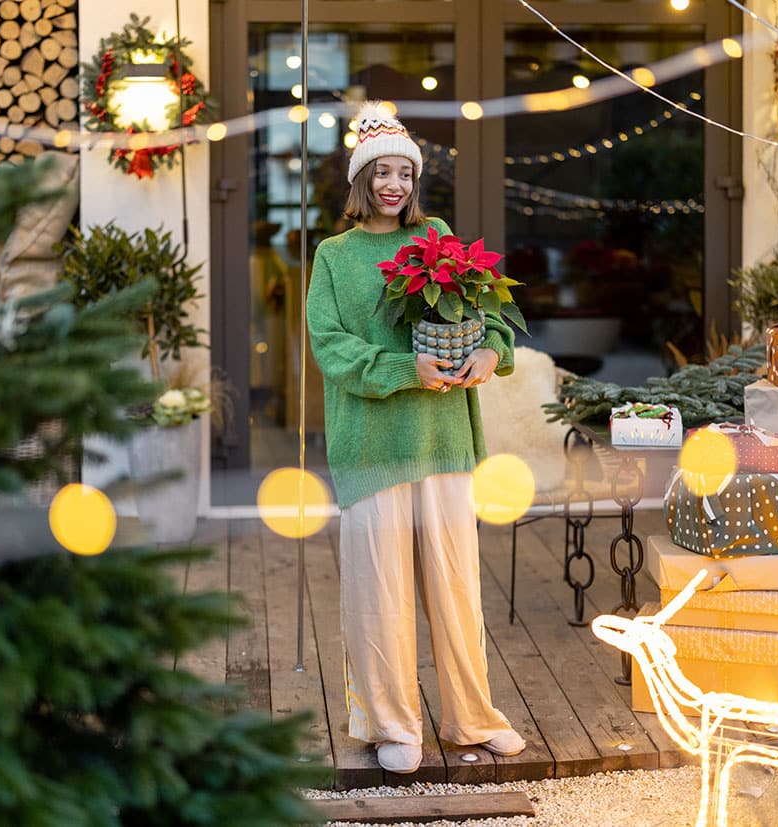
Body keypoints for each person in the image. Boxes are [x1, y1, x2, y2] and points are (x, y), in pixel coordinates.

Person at [306, 101, 526, 775]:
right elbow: (329, 347)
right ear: (361, 180)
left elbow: (486, 316)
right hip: (373, 445)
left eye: (405, 172)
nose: (394, 184)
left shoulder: (438, 235)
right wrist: (406, 367)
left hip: (444, 438)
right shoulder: (335, 257)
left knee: (458, 588)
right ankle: (392, 724)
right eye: (382, 172)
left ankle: (471, 718)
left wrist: (493, 352)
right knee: (380, 593)